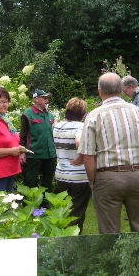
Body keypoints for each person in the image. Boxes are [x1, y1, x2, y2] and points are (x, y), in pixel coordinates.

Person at [78, 73, 139, 233]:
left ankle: (113, 258)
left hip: (107, 177)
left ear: (100, 91)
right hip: (137, 174)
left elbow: (87, 156)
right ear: (120, 89)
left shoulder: (94, 116)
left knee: (109, 231)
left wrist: (92, 182)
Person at [53, 98, 91, 230]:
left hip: (61, 175)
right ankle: (74, 240)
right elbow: (79, 142)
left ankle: (62, 237)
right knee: (77, 212)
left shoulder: (58, 126)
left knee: (64, 210)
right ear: (83, 114)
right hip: (79, 177)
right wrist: (80, 157)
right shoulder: (81, 127)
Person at [19, 89, 56, 197]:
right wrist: (22, 152)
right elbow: (23, 135)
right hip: (34, 154)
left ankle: (46, 203)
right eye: (44, 98)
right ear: (36, 99)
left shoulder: (49, 115)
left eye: (47, 98)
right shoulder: (27, 114)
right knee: (30, 181)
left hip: (49, 154)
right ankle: (28, 204)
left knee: (47, 181)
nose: (47, 100)